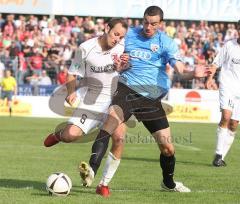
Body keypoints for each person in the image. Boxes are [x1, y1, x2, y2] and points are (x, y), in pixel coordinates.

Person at [79, 6, 211, 197]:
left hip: (151, 99)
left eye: (153, 24)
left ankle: (168, 183)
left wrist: (193, 74)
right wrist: (118, 64)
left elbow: (181, 70)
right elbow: (110, 47)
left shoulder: (166, 43)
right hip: (126, 89)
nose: (148, 27)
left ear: (161, 24)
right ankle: (91, 170)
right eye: (146, 22)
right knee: (110, 126)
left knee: (167, 148)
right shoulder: (129, 35)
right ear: (142, 20)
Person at [43, 18, 129, 186]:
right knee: (70, 135)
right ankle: (58, 135)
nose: (117, 39)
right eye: (115, 34)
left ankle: (103, 184)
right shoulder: (86, 48)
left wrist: (125, 66)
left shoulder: (124, 47)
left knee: (119, 138)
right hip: (92, 101)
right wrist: (71, 92)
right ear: (106, 28)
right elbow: (72, 73)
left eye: (121, 36)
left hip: (116, 101)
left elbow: (132, 68)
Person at [206, 20, 240, 167]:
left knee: (234, 125)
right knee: (226, 116)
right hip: (228, 86)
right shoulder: (229, 45)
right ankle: (218, 154)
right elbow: (216, 63)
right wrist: (209, 78)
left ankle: (220, 157)